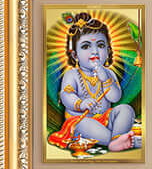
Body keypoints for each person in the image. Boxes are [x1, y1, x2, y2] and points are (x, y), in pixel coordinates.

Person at [49, 13, 141, 153]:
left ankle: (117, 139)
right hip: (81, 120)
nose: (95, 51)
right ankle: (118, 141)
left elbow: (115, 97)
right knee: (85, 124)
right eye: (86, 46)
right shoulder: (72, 75)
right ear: (74, 55)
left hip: (106, 119)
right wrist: (81, 103)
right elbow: (66, 96)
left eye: (100, 45)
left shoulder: (109, 73)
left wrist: (105, 79)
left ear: (108, 51)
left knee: (125, 109)